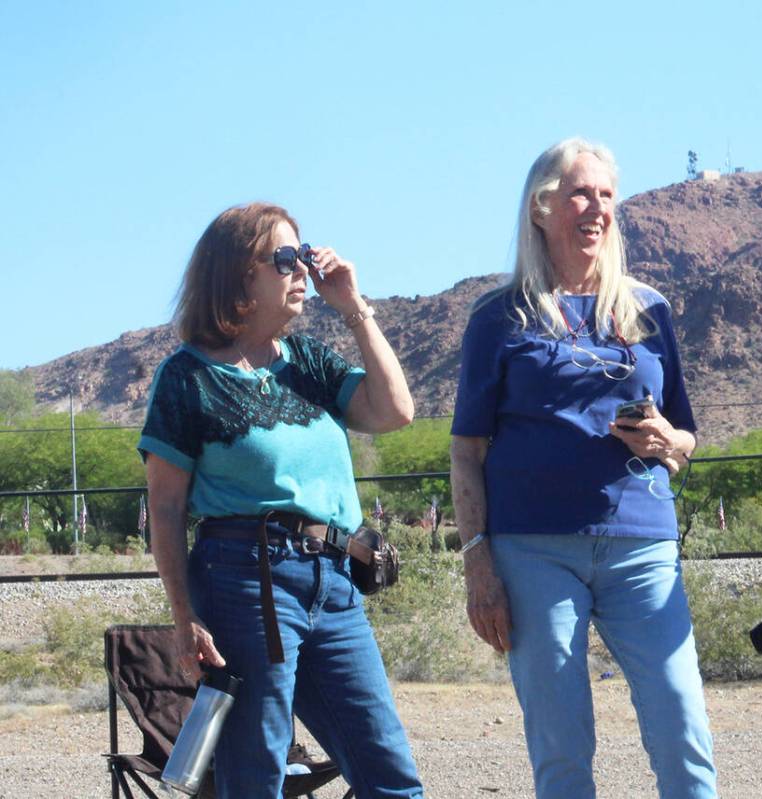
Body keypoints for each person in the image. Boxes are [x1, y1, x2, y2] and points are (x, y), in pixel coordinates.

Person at [449, 138, 718, 799]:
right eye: (579, 193)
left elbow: (687, 434)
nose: (595, 207)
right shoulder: (498, 316)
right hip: (532, 551)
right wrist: (477, 559)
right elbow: (466, 448)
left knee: (681, 721)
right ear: (541, 207)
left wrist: (667, 439)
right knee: (562, 745)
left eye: (604, 194)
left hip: (642, 544)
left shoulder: (647, 309)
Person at [139, 203, 425, 799]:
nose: (302, 270)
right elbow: (164, 508)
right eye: (286, 258)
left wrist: (354, 308)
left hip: (337, 580)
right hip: (245, 579)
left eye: (304, 255)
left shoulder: (309, 361)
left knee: (390, 775)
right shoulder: (186, 378)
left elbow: (396, 412)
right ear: (241, 273)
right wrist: (183, 613)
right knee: (257, 774)